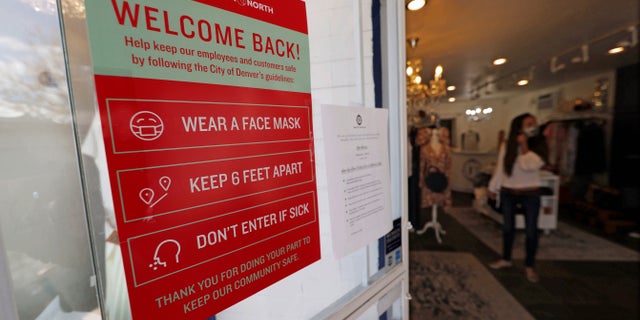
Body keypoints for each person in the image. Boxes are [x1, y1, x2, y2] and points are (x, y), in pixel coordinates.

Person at [488, 113, 546, 283]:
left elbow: (531, 165)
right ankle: (506, 258)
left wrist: (524, 145)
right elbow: (501, 167)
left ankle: (529, 265)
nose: (532, 126)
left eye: (534, 123)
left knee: (531, 230)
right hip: (508, 191)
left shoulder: (539, 143)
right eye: (529, 123)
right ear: (519, 126)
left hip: (530, 192)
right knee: (507, 228)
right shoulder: (508, 145)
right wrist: (493, 187)